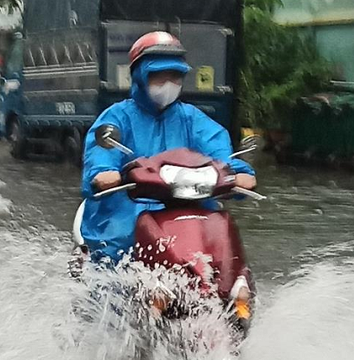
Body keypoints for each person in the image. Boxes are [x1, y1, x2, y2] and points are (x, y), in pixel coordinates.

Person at [80, 31, 256, 265]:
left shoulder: (193, 120)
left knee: (224, 261)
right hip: (124, 224)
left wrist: (237, 172)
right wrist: (107, 173)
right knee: (110, 280)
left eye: (174, 75)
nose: (168, 83)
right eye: (158, 75)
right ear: (140, 77)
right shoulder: (116, 119)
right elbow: (100, 161)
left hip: (189, 216)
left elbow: (221, 155)